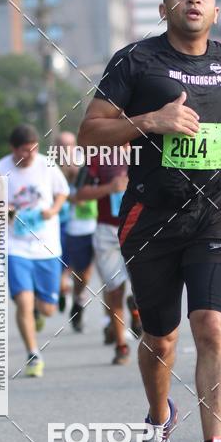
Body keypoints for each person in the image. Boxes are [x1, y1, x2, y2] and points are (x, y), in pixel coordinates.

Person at [78, 0, 221, 442]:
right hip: (151, 217)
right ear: (164, 9)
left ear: (216, 10)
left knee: (212, 328)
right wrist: (151, 120)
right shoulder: (136, 61)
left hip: (217, 213)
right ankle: (159, 417)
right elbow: (91, 130)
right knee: (160, 338)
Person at [0, 124, 69, 377]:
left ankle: (42, 308)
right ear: (13, 150)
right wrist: (4, 210)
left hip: (46, 246)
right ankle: (33, 354)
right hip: (15, 246)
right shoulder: (1, 168)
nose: (29, 156)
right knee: (23, 303)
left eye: (33, 150)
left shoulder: (47, 165)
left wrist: (54, 210)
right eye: (24, 152)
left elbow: (63, 192)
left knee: (48, 308)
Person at [75, 147, 138, 362]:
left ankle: (137, 311)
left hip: (140, 228)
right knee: (114, 289)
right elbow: (80, 194)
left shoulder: (148, 149)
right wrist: (109, 188)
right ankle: (121, 346)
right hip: (107, 232)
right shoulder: (97, 157)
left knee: (144, 284)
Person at [57, 135, 98, 332]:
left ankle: (111, 323)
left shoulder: (88, 161)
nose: (66, 149)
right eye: (62, 146)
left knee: (101, 273)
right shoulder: (53, 168)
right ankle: (77, 300)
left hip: (99, 223)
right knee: (81, 273)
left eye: (69, 145)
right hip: (73, 226)